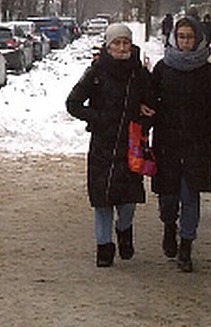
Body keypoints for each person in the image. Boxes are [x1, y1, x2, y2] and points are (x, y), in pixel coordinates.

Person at [66, 21, 155, 266]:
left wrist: (144, 114)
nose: (121, 47)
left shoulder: (139, 73)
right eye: (116, 42)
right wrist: (99, 118)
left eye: (125, 42)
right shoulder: (96, 72)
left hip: (130, 146)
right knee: (102, 200)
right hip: (102, 146)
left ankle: (124, 230)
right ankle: (103, 248)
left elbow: (153, 104)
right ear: (108, 45)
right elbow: (72, 103)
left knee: (128, 201)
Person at [150, 15, 211, 272]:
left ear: (198, 39)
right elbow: (150, 102)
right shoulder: (162, 68)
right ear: (174, 38)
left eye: (190, 37)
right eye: (182, 37)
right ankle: (169, 226)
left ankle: (186, 246)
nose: (186, 42)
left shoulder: (208, 71)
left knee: (190, 196)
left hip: (197, 142)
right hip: (167, 142)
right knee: (169, 196)